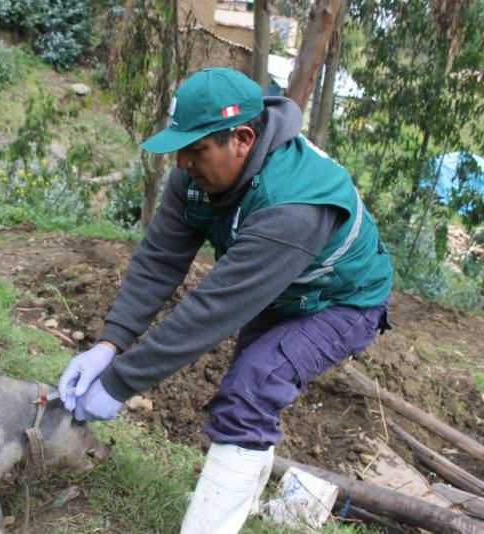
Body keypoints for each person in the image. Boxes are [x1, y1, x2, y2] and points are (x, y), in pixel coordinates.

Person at [58, 68, 392, 534]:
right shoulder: (196, 176)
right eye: (180, 150)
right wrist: (109, 344)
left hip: (342, 301)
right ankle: (240, 510)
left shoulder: (292, 206)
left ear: (242, 138)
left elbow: (210, 311)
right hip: (282, 293)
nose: (182, 165)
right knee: (248, 391)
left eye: (195, 151)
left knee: (250, 390)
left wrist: (118, 383)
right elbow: (159, 260)